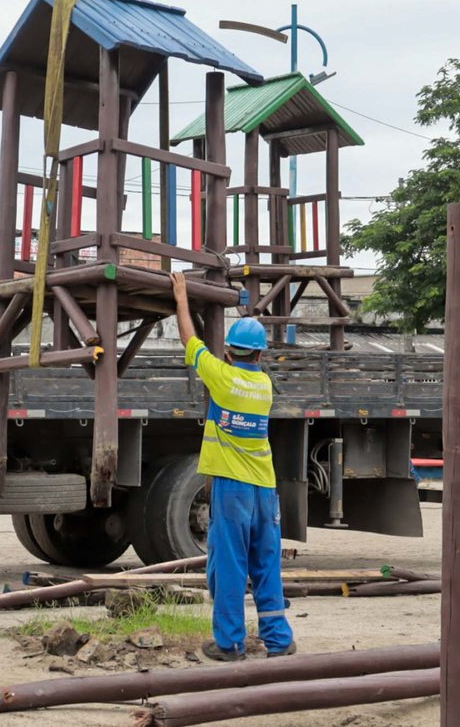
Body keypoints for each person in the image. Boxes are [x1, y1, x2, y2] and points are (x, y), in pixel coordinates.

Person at [170, 272, 295, 661]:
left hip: (233, 489)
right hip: (264, 489)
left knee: (229, 565)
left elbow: (189, 341)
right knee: (265, 564)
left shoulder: (221, 379)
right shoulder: (264, 388)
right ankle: (278, 640)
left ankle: (230, 643)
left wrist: (180, 297)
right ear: (260, 355)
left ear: (228, 351)